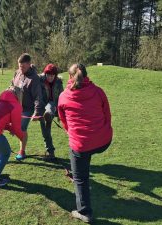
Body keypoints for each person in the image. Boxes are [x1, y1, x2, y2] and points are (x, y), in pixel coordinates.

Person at [58, 63, 113, 223]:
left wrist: (72, 133)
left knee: (80, 177)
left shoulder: (63, 96)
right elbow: (107, 114)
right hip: (103, 140)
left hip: (81, 145)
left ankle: (84, 212)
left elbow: (64, 122)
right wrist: (105, 131)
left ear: (69, 77)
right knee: (84, 155)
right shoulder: (98, 91)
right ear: (87, 75)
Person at [11, 53, 43, 161]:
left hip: (27, 109)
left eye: (23, 67)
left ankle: (22, 151)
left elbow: (38, 97)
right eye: (19, 66)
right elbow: (12, 85)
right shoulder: (17, 73)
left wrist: (37, 112)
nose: (21, 69)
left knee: (21, 129)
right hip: (15, 106)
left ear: (29, 64)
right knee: (12, 127)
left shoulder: (34, 79)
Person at [39, 64, 63, 160]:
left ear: (55, 76)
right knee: (45, 132)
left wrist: (60, 113)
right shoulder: (40, 80)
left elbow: (62, 97)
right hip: (41, 107)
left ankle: (48, 115)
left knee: (51, 104)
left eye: (52, 75)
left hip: (53, 107)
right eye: (48, 75)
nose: (50, 77)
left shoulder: (58, 82)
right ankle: (51, 153)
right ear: (45, 74)